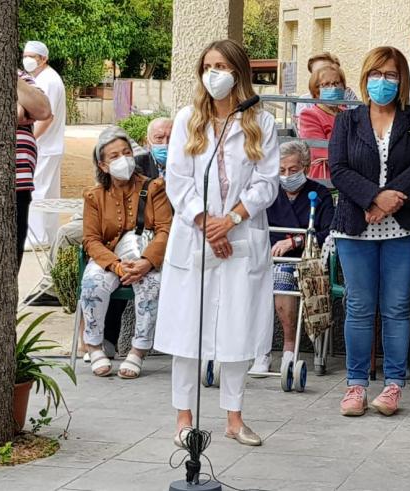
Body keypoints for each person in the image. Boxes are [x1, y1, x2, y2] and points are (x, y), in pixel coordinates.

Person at [154, 39, 280, 448]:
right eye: (207, 65)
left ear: (238, 72)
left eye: (222, 65)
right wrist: (209, 224)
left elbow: (267, 182)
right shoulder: (189, 119)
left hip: (240, 237)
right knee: (188, 331)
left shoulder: (261, 121)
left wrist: (232, 220)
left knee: (237, 329)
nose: (214, 73)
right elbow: (178, 180)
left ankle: (234, 417)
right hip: (195, 237)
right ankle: (184, 419)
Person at [329, 46, 410, 417]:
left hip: (403, 227)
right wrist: (373, 198)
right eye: (377, 74)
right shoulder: (347, 120)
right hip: (356, 225)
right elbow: (338, 169)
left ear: (402, 80)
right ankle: (356, 385)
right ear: (365, 77)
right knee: (358, 306)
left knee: (396, 306)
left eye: (391, 75)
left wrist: (392, 201)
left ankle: (392, 385)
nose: (383, 82)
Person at [80, 126, 171, 379]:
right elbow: (91, 240)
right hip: (109, 258)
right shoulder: (94, 196)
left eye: (127, 152)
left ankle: (138, 350)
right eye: (115, 156)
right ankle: (95, 346)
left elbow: (165, 229)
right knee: (93, 282)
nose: (124, 160)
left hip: (145, 258)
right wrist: (116, 265)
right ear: (103, 165)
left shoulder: (155, 188)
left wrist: (146, 262)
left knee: (152, 283)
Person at [250, 141, 335, 375]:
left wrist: (295, 241)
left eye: (293, 170)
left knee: (282, 277)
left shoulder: (320, 194)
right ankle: (259, 349)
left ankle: (288, 348)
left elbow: (329, 231)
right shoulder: (268, 193)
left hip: (302, 260)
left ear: (305, 167)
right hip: (265, 255)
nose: (287, 176)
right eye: (281, 171)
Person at [23, 41, 67, 248]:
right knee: (48, 193)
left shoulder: (48, 81)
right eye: (25, 55)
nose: (27, 60)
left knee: (38, 191)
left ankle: (37, 238)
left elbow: (45, 117)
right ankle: (47, 236)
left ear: (44, 58)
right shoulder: (43, 78)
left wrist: (32, 139)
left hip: (45, 147)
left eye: (32, 56)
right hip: (49, 147)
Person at [15, 69, 51, 269]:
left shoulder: (22, 77)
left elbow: (43, 110)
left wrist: (11, 76)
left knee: (11, 256)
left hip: (19, 185)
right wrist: (20, 108)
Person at [298, 64, 346, 180]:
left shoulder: (346, 113)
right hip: (325, 179)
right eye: (326, 85)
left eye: (336, 83)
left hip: (350, 179)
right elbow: (322, 152)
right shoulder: (309, 115)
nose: (333, 88)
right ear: (316, 91)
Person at [294, 52, 359, 115]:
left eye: (327, 69)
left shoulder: (347, 93)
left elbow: (357, 117)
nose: (324, 74)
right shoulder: (304, 102)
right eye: (317, 72)